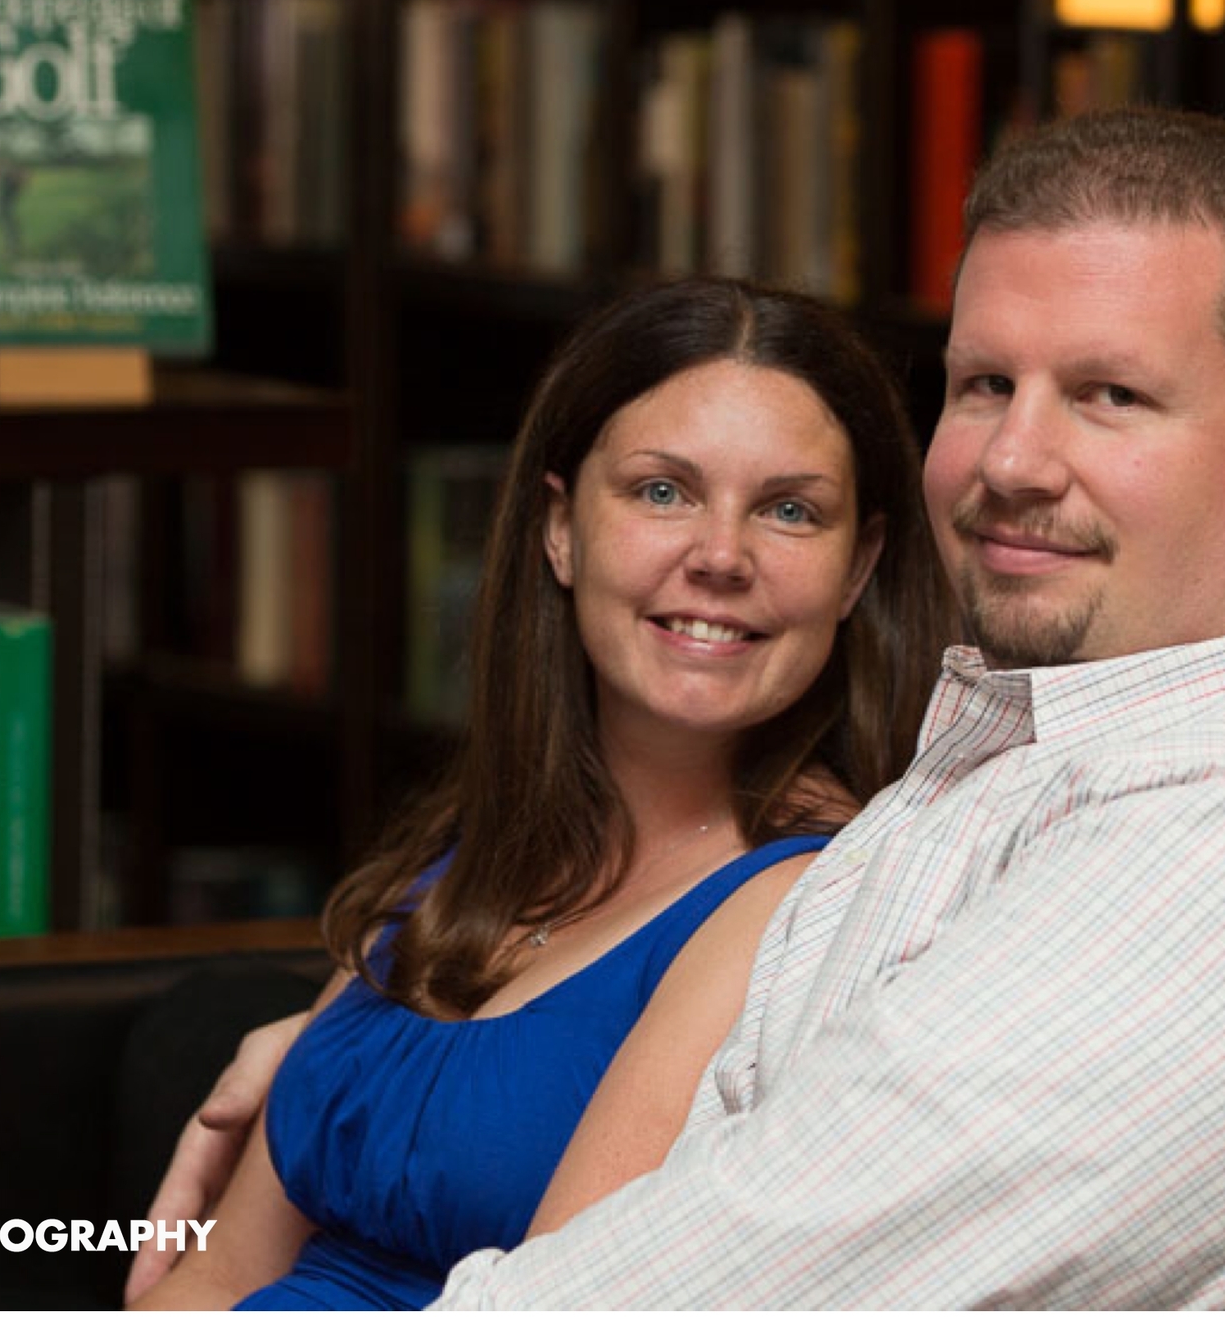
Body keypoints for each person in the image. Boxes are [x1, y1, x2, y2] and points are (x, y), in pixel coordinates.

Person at [139, 106, 1225, 1308]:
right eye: (985, 384)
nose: (1015, 459)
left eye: (1110, 394)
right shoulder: (1015, 777)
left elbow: (681, 1294)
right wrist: (358, 1046)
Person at [127, 277, 956, 1309]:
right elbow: (214, 1273)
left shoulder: (803, 903)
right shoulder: (474, 850)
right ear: (560, 530)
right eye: (662, 491)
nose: (719, 556)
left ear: (857, 567)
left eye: (789, 511)